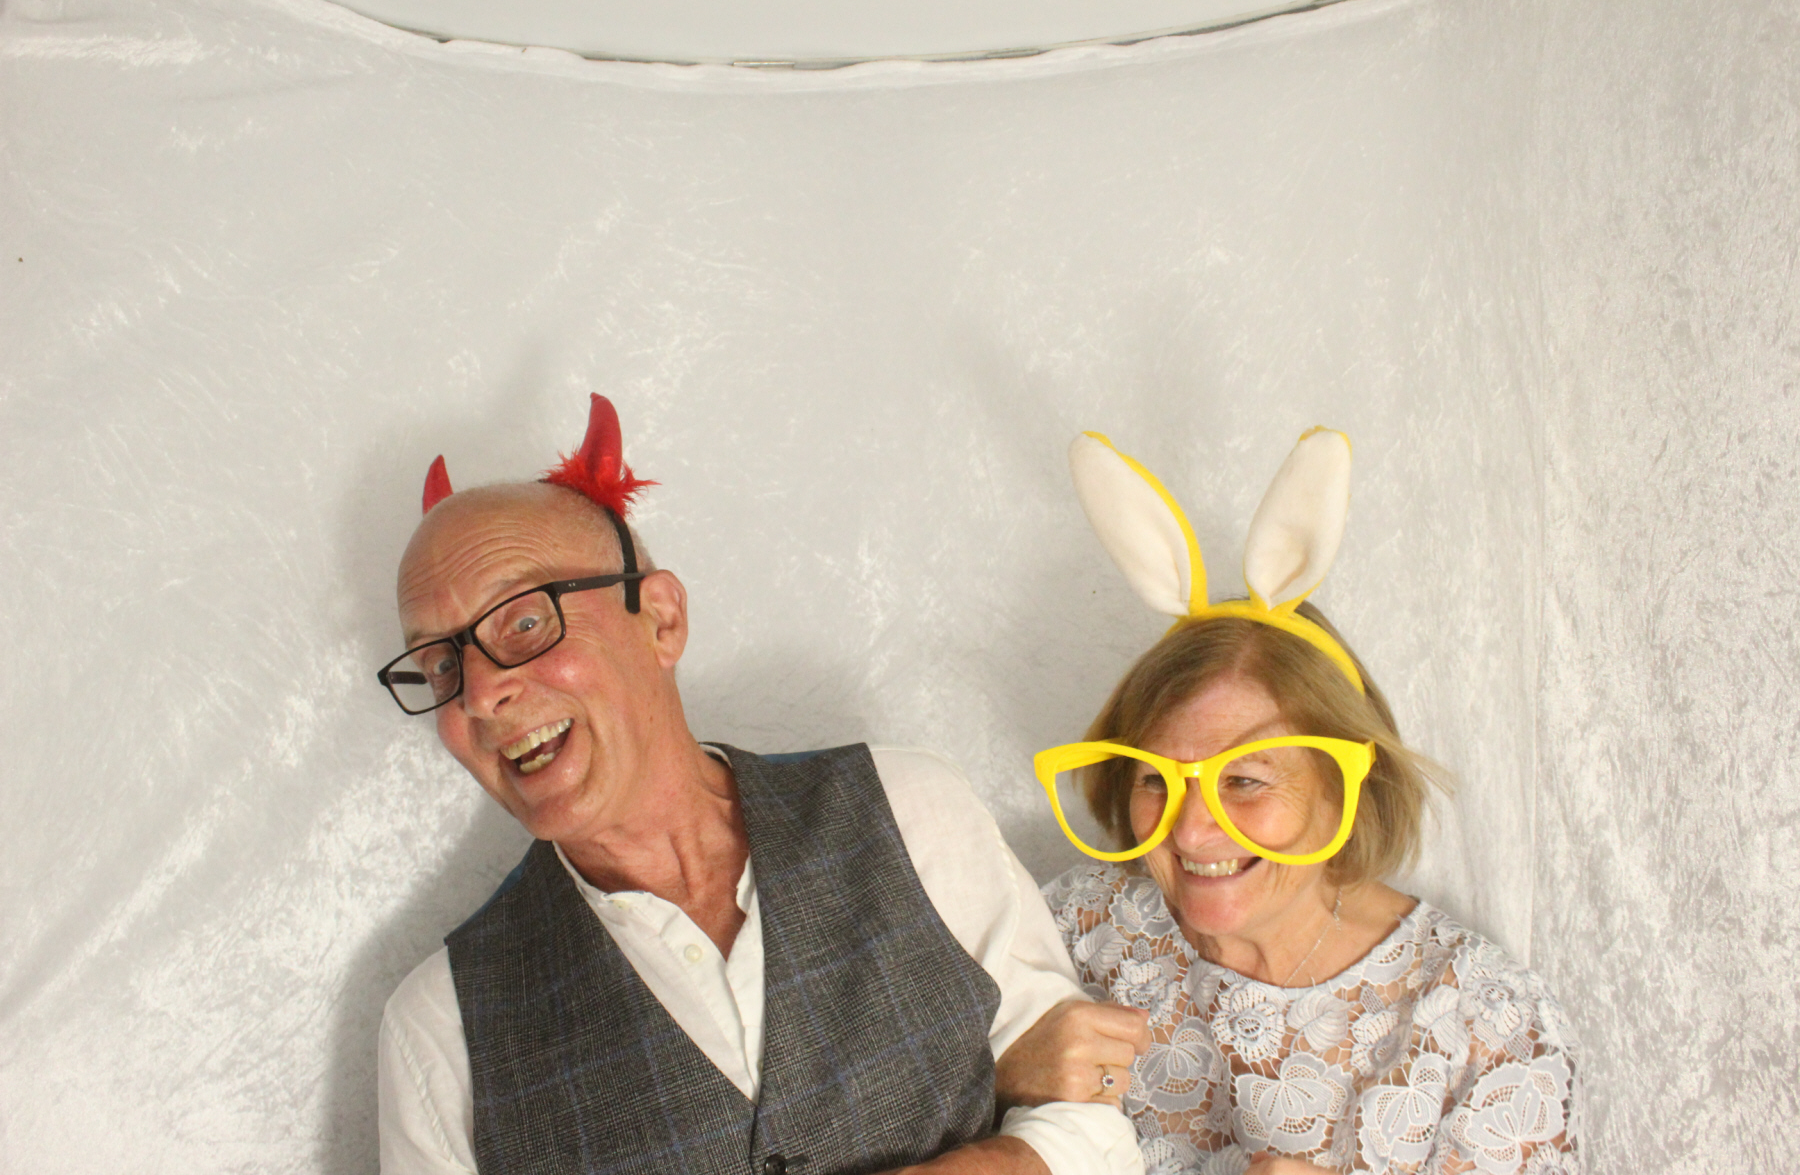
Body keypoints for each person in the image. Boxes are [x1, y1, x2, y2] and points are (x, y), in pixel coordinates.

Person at [373, 394, 1144, 1175]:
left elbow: (1096, 1121)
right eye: (440, 662)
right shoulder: (437, 1032)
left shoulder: (911, 811)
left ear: (661, 619)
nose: (479, 694)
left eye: (523, 622)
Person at [1003, 430, 1582, 1175]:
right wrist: (1004, 1067)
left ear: (1348, 785)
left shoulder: (1485, 1025)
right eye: (1156, 778)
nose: (1191, 829)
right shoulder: (1078, 929)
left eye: (1244, 780)